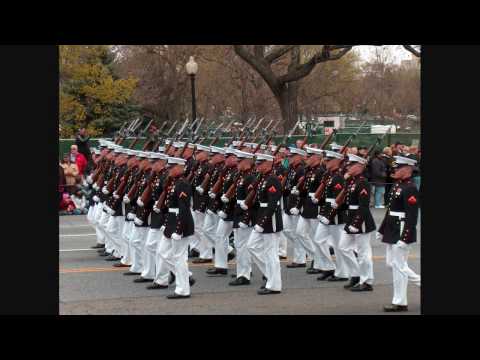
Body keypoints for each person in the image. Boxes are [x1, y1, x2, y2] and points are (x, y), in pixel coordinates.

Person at [377, 154, 421, 312]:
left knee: (399, 266)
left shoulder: (410, 188)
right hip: (392, 228)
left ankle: (400, 302)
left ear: (408, 169)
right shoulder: (398, 185)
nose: (395, 169)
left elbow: (412, 216)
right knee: (392, 264)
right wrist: (382, 229)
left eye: (399, 167)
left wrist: (406, 237)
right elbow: (390, 210)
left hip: (402, 229)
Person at [246, 152, 284, 295]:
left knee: (271, 254)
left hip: (270, 220)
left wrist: (262, 222)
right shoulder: (262, 179)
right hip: (261, 218)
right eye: (257, 163)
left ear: (268, 164)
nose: (257, 166)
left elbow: (272, 205)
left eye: (260, 163)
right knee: (251, 246)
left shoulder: (273, 180)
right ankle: (270, 276)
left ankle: (274, 285)